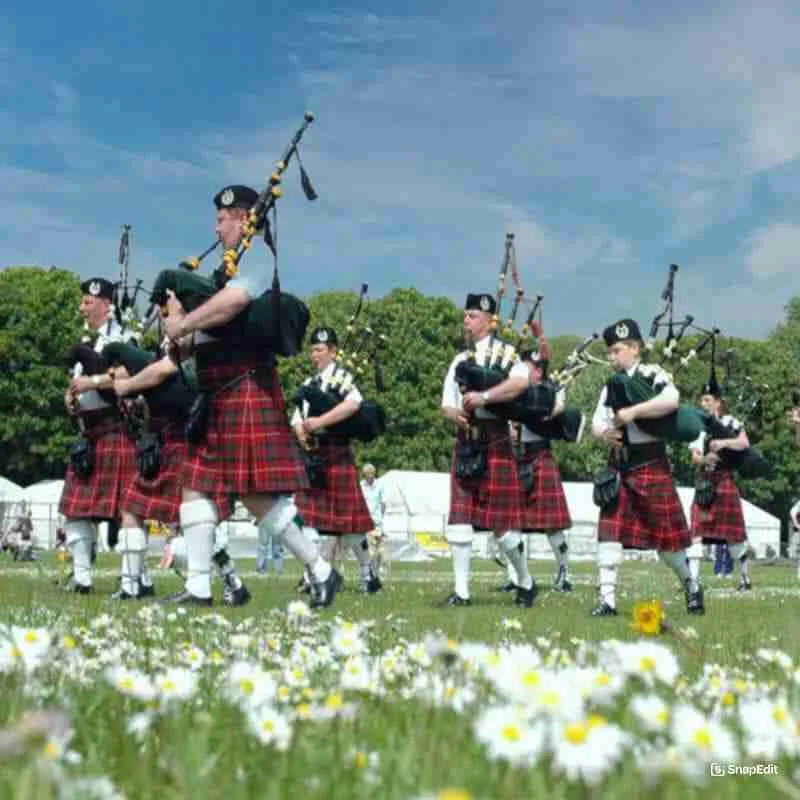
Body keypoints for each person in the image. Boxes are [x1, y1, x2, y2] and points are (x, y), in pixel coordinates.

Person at [161, 184, 339, 607]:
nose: (216, 227)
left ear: (242, 218)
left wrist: (183, 325)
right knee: (195, 486)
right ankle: (200, 587)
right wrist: (174, 316)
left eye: (222, 219)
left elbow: (235, 302)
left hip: (244, 385)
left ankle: (321, 569)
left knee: (255, 494)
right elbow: (194, 338)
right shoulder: (219, 274)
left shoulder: (256, 255)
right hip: (215, 391)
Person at [111, 347, 250, 605]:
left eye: (166, 307)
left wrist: (124, 385)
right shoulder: (169, 342)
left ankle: (232, 581)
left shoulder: (190, 340)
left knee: (193, 524)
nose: (164, 314)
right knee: (131, 506)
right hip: (164, 442)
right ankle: (131, 586)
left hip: (186, 440)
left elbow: (167, 370)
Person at [590, 318, 704, 617]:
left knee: (667, 543)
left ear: (634, 348)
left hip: (651, 463)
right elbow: (595, 424)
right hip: (619, 466)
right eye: (610, 351)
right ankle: (607, 600)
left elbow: (672, 400)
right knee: (609, 532)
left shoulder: (653, 374)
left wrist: (633, 412)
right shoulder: (611, 385)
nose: (611, 356)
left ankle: (691, 586)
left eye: (616, 351)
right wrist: (606, 434)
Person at [441, 292, 535, 608]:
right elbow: (446, 406)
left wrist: (484, 397)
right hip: (467, 442)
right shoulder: (459, 359)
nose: (467, 321)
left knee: (502, 526)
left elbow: (520, 384)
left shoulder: (507, 355)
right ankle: (462, 592)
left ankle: (525, 580)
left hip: (496, 441)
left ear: (490, 321)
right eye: (466, 316)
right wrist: (458, 415)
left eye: (473, 316)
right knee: (459, 518)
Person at [58, 278, 139, 594]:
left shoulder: (123, 337)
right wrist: (71, 399)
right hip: (88, 434)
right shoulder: (86, 342)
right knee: (76, 508)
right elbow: (76, 386)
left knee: (126, 511)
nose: (82, 307)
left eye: (88, 302)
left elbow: (127, 376)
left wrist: (92, 381)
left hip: (115, 430)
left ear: (106, 304)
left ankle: (134, 580)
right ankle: (81, 578)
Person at [290, 326, 381, 594]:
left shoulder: (344, 380)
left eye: (319, 350)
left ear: (333, 352)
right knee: (313, 521)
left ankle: (368, 574)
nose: (314, 355)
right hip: (315, 454)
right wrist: (302, 433)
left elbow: (353, 405)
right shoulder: (309, 384)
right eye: (312, 350)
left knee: (348, 523)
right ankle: (314, 574)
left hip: (338, 452)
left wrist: (320, 421)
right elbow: (297, 417)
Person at [502, 337, 575, 594]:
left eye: (529, 366)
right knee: (512, 521)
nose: (525, 370)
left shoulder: (552, 390)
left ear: (539, 369)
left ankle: (565, 573)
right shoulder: (513, 388)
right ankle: (516, 576)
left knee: (551, 524)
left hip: (540, 455)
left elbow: (557, 410)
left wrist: (535, 411)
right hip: (515, 456)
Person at [686, 367, 753, 591]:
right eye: (702, 400)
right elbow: (695, 458)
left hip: (725, 482)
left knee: (733, 535)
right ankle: (693, 581)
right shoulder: (697, 426)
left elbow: (744, 443)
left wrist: (724, 443)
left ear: (717, 403)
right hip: (705, 483)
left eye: (707, 400)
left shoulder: (730, 423)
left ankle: (744, 578)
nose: (703, 404)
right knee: (696, 530)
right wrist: (706, 458)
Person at [360, 463, 387, 579]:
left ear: (374, 474)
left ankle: (378, 568)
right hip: (366, 522)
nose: (369, 477)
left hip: (378, 521)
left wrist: (380, 517)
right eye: (367, 474)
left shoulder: (380, 485)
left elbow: (383, 503)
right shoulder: (361, 485)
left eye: (371, 474)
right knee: (369, 549)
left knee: (380, 549)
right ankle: (370, 572)